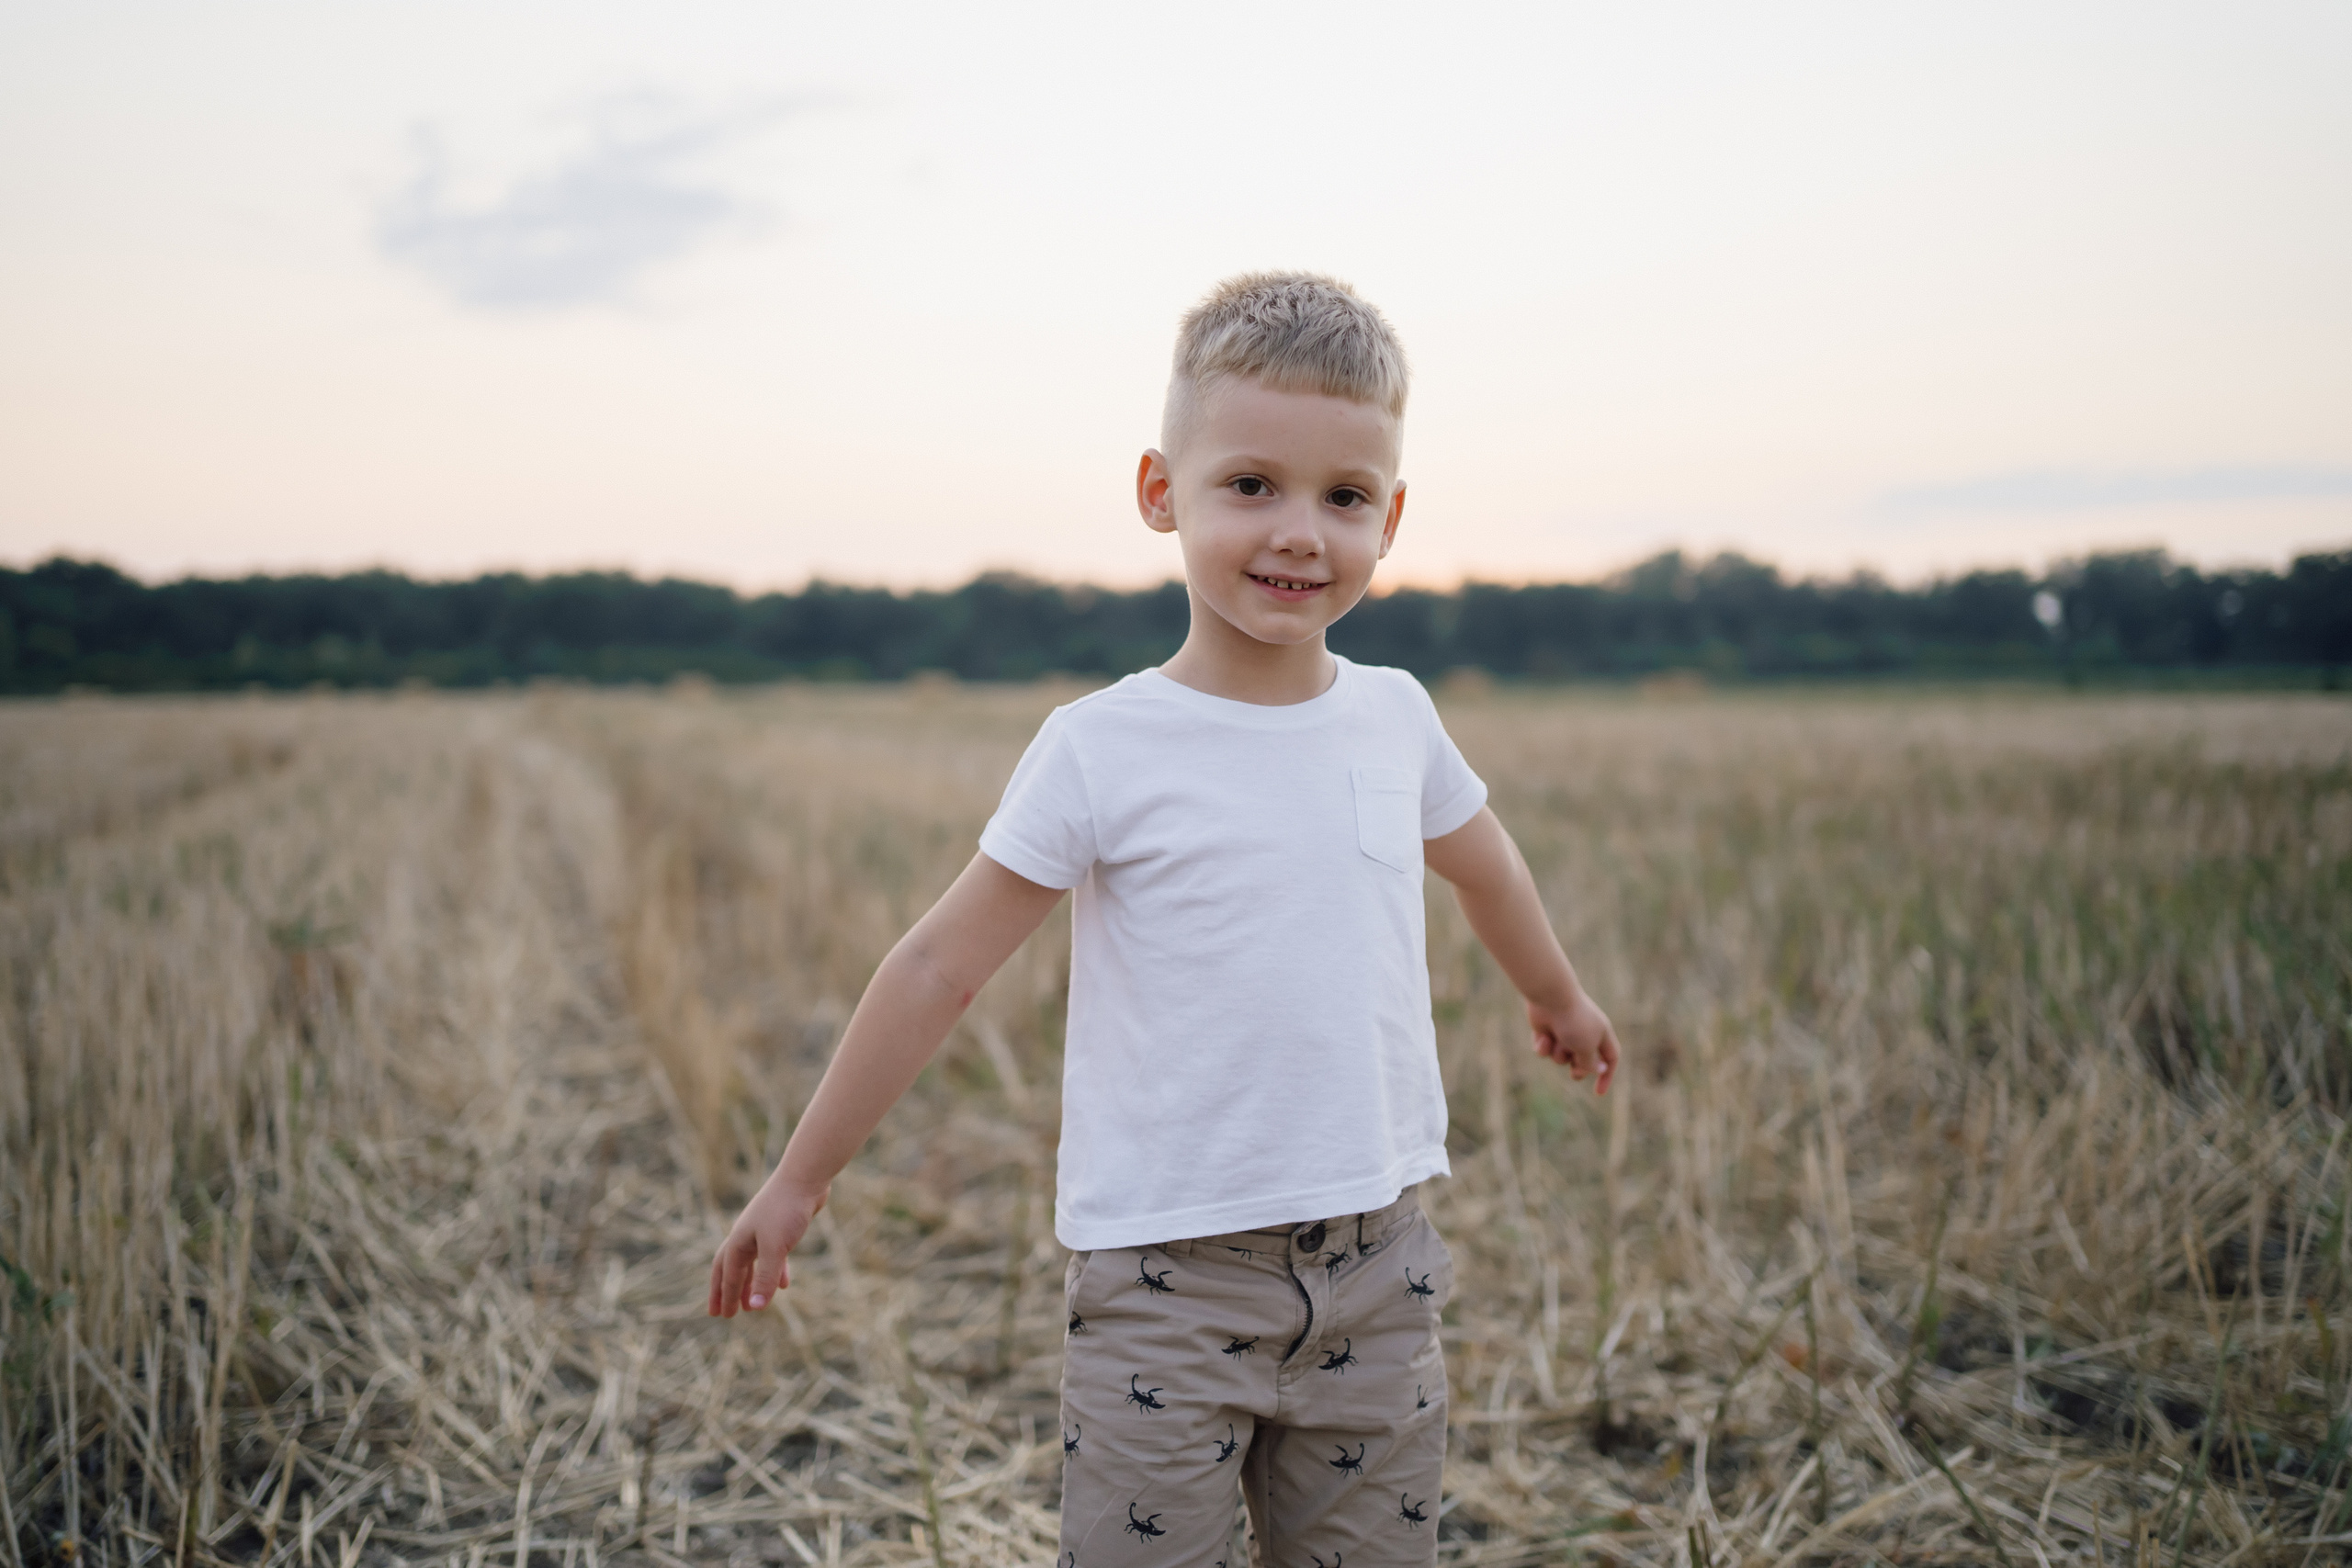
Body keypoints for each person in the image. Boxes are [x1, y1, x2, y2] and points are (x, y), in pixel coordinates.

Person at [709, 272, 1623, 1565]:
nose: (1300, 533)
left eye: (1344, 497)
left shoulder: (1396, 718)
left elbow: (1486, 866)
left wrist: (1555, 993)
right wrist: (802, 1177)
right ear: (1159, 492)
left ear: (1392, 518)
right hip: (1164, 1284)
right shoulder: (1103, 747)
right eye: (1251, 484)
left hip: (1378, 1270)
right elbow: (935, 969)